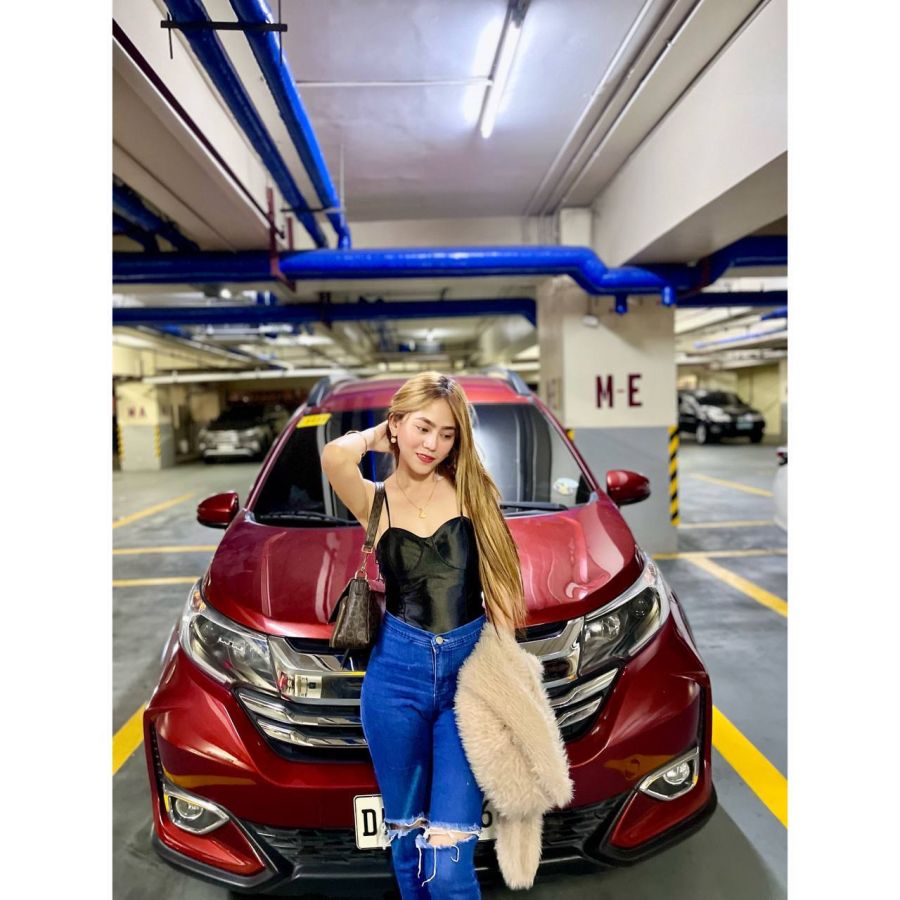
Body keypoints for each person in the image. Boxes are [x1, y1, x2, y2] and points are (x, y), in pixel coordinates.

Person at [321, 371, 527, 899]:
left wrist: (503, 675)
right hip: (395, 681)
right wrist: (377, 436)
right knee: (408, 852)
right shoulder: (375, 501)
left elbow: (503, 591)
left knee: (450, 866)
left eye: (447, 434)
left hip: (468, 680)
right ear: (397, 424)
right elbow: (334, 457)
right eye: (423, 427)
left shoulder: (473, 494)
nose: (433, 443)